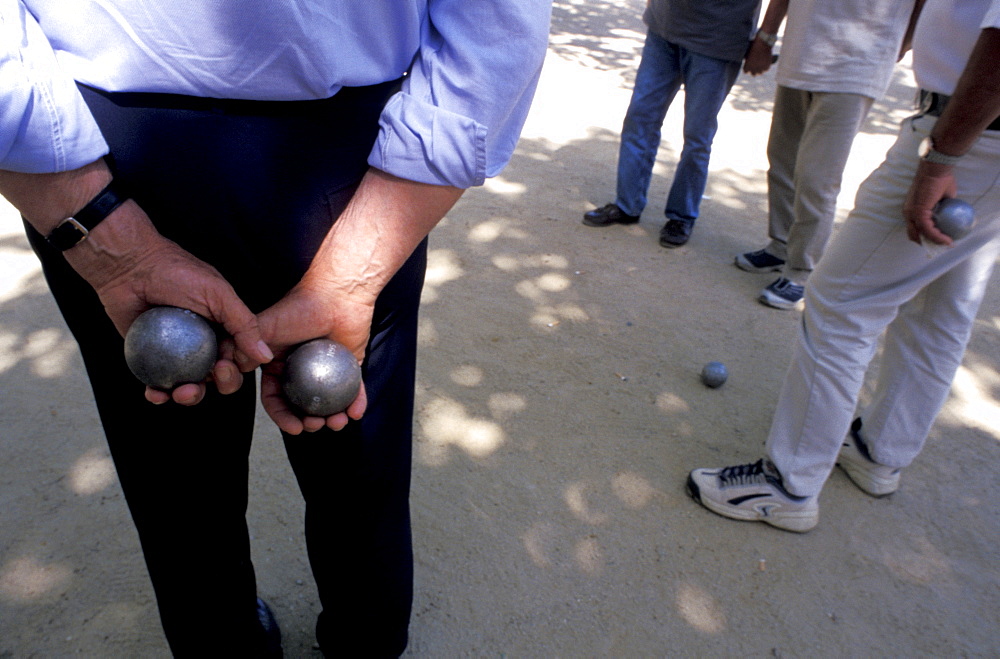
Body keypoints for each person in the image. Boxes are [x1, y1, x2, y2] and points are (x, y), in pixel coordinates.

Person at [0, 1, 550, 655]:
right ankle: (360, 636)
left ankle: (246, 639)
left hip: (121, 158)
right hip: (331, 157)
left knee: (184, 466)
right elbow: (497, 27)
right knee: (344, 449)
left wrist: (95, 226)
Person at [687, 0, 1000, 533]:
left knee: (840, 301)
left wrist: (942, 156)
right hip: (980, 138)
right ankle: (879, 452)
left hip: (970, 139)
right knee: (941, 306)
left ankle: (788, 484)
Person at [734, 0, 922, 309]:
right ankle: (781, 246)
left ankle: (801, 271)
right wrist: (766, 37)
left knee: (817, 176)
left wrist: (898, 44)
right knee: (782, 160)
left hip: (856, 66)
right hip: (801, 54)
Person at [582, 0, 765, 248]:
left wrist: (767, 38)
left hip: (718, 37)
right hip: (664, 26)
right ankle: (627, 204)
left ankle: (682, 216)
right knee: (640, 118)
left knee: (697, 134)